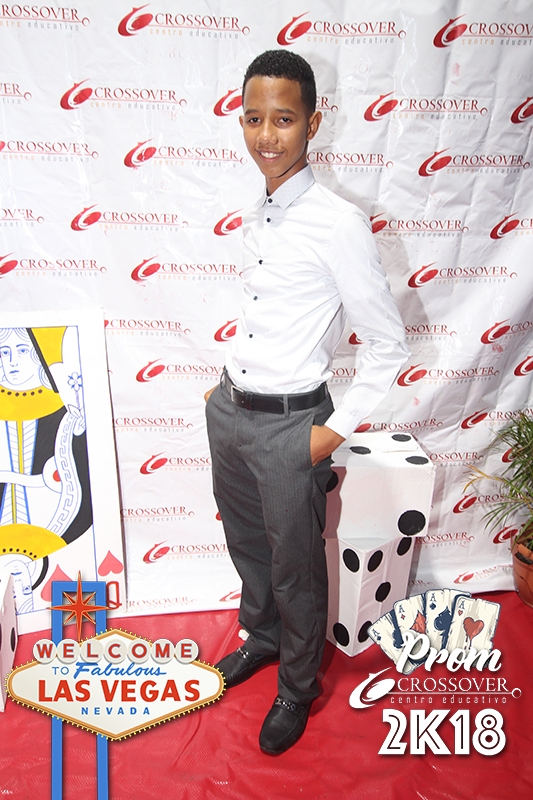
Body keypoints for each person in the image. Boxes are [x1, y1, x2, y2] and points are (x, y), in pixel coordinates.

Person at [205, 50, 409, 754]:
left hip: (293, 425)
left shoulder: (338, 223)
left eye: (284, 119)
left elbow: (388, 345)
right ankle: (261, 639)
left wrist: (332, 430)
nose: (266, 135)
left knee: (295, 568)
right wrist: (224, 391)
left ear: (313, 123)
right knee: (246, 546)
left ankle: (297, 687)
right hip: (231, 412)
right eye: (253, 118)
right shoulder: (258, 212)